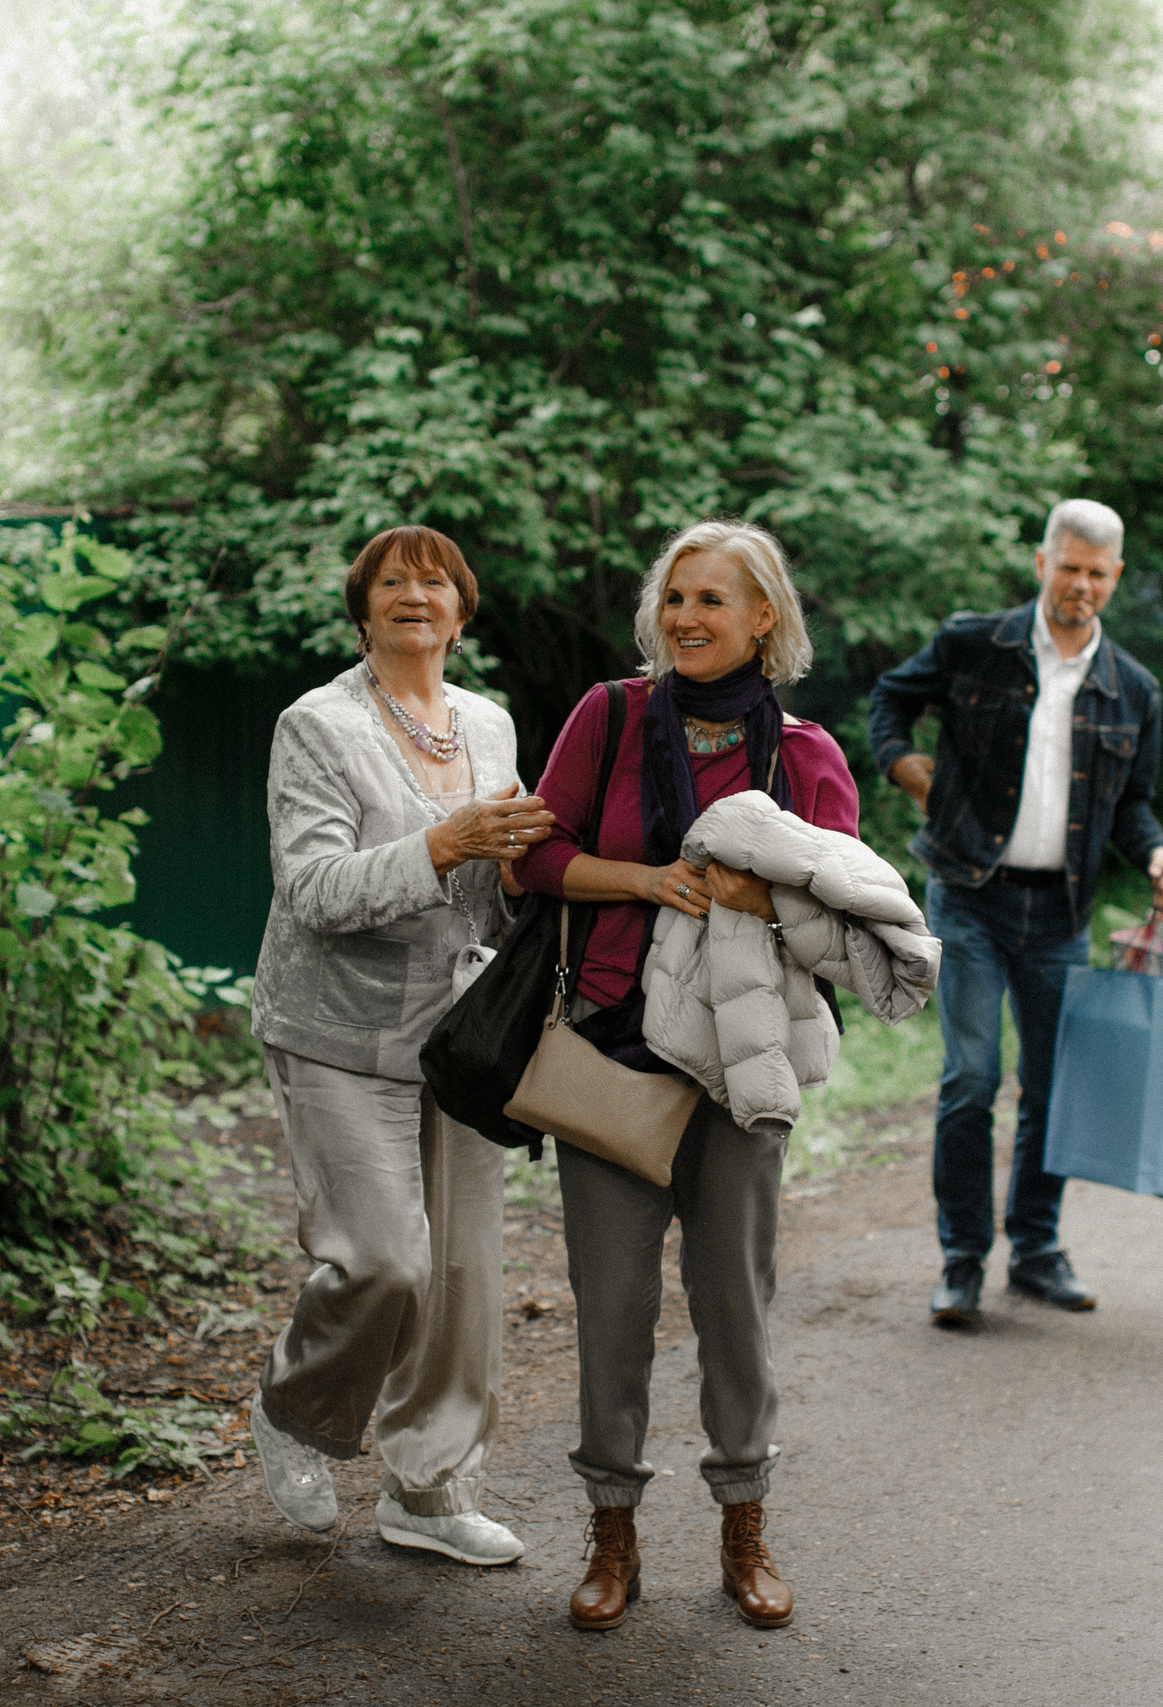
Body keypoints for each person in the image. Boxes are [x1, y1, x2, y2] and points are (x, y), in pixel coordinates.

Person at [510, 521, 861, 1634]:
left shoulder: (803, 752)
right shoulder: (609, 717)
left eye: (714, 600)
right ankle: (612, 1539)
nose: (688, 619)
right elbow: (534, 855)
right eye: (675, 599)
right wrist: (648, 881)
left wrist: (757, 897)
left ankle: (743, 1530)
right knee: (611, 1313)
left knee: (734, 1312)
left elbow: (847, 908)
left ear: (765, 618)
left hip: (739, 1074)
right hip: (611, 1053)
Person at [245, 525, 556, 1565]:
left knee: (461, 1279)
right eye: (392, 580)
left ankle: (425, 1491)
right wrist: (444, 844)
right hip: (335, 1029)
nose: (413, 594)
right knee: (382, 1265)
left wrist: (509, 877)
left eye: (435, 581)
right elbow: (314, 889)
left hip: (458, 1037)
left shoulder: (493, 725)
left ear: (461, 615)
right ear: (364, 608)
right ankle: (295, 1414)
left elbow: (490, 884)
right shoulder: (317, 725)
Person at [867, 498, 1163, 1328]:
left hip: (1062, 913)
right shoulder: (978, 643)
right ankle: (962, 1259)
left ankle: (1036, 1249)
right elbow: (887, 704)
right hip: (969, 892)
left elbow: (1133, 804)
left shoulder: (1134, 690)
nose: (1081, 584)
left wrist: (1153, 849)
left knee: (1054, 1086)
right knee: (972, 1078)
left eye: (1098, 573)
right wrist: (906, 768)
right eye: (1069, 566)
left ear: (1116, 578)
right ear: (1043, 563)